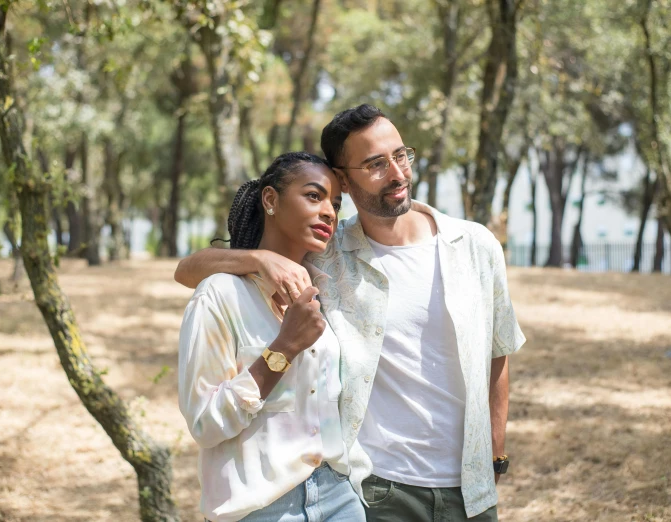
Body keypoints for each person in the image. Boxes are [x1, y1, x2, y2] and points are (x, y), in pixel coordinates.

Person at [175, 105, 526, 522]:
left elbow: (497, 348)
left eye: (401, 155)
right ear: (343, 177)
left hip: (470, 486)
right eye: (375, 164)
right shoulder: (328, 249)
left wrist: (496, 453)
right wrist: (259, 259)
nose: (397, 174)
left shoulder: (474, 246)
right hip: (377, 489)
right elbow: (188, 270)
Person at [177, 152, 365, 522]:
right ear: (270, 200)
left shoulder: (328, 284)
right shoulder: (221, 295)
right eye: (314, 196)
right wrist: (284, 348)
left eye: (336, 203)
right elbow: (204, 425)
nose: (329, 211)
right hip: (261, 507)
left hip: (339, 497)